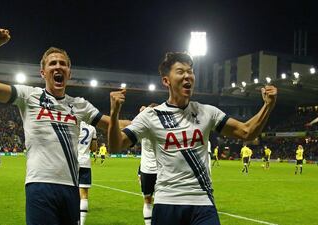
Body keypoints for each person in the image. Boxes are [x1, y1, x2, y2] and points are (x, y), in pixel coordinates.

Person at [0, 28, 129, 225]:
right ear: (43, 72)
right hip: (39, 186)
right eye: (52, 63)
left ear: (69, 73)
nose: (58, 67)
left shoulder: (79, 104)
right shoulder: (29, 96)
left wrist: (148, 117)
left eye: (63, 64)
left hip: (71, 187)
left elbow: (113, 125)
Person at [108, 52, 277, 225]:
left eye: (190, 71)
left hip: (202, 202)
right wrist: (114, 115)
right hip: (168, 202)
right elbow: (116, 145)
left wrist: (268, 106)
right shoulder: (151, 116)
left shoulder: (207, 112)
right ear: (166, 81)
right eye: (180, 71)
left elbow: (247, 132)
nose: (187, 76)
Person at [138, 104, 158, 225]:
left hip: (147, 170)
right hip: (162, 169)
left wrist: (142, 113)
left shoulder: (143, 128)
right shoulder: (161, 127)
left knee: (147, 200)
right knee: (163, 201)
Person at [77, 121, 97, 225]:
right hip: (85, 162)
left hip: (72, 161)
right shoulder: (92, 128)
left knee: (69, 191)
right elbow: (93, 148)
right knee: (84, 195)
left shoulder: (74, 123)